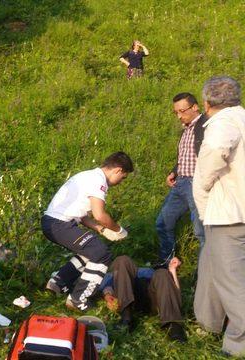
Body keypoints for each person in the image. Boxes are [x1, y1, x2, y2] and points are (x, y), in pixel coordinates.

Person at [193, 76, 245, 357]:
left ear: (206, 102)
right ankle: (208, 323)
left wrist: (201, 192)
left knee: (233, 281)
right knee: (211, 268)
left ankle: (239, 344)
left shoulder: (223, 123)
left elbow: (211, 161)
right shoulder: (242, 118)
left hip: (229, 214)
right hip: (230, 212)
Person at [43, 152, 133, 311]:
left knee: (91, 250)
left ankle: (58, 283)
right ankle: (78, 299)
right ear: (118, 170)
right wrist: (118, 230)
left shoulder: (88, 175)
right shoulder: (99, 181)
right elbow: (99, 214)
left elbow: (83, 215)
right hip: (60, 224)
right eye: (123, 177)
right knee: (101, 253)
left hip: (53, 222)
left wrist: (101, 229)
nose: (121, 182)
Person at [156, 93, 207, 264]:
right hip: (181, 182)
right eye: (175, 112)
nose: (179, 116)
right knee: (163, 222)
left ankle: (204, 273)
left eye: (182, 111)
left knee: (201, 232)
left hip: (197, 183)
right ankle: (168, 264)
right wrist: (174, 171)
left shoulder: (206, 126)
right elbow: (186, 156)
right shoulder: (187, 128)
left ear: (195, 107)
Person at [99, 255, 186, 342]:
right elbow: (108, 281)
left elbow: (174, 293)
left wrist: (172, 271)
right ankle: (126, 318)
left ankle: (173, 326)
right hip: (130, 298)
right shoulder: (122, 266)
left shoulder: (154, 272)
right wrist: (107, 294)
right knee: (121, 260)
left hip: (155, 298)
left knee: (162, 273)